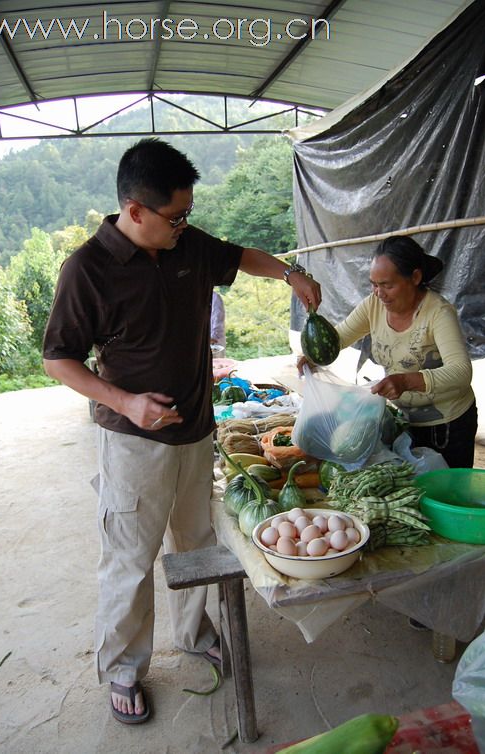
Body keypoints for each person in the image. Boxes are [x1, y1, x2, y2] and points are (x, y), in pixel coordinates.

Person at [42, 137, 321, 725]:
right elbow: (58, 359)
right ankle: (123, 667)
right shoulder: (87, 270)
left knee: (196, 545)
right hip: (132, 441)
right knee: (130, 557)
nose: (183, 226)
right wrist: (126, 402)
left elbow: (240, 255)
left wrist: (291, 274)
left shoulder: (185, 242)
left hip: (197, 432)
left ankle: (195, 633)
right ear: (134, 210)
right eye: (174, 216)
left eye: (188, 214)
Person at [301, 235, 477, 468]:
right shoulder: (373, 305)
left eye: (387, 285)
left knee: (446, 495)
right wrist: (313, 355)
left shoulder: (438, 313)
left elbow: (461, 372)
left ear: (415, 277)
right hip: (405, 422)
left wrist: (407, 381)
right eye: (374, 284)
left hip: (448, 427)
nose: (379, 293)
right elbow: (340, 337)